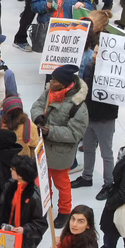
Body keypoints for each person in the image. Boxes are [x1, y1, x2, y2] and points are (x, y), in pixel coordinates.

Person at [31, 64, 89, 229]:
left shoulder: (78, 106)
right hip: (43, 149)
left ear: (64, 84)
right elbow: (37, 105)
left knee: (62, 184)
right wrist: (38, 117)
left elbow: (75, 133)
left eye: (55, 80)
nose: (51, 82)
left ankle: (64, 211)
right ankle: (44, 204)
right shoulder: (50, 90)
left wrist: (51, 131)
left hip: (60, 153)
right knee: (43, 180)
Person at [72, 50, 119, 200]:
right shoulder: (90, 67)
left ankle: (109, 183)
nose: (93, 55)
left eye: (97, 52)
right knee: (88, 148)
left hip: (105, 118)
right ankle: (87, 176)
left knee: (106, 153)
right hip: (89, 116)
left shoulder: (115, 72)